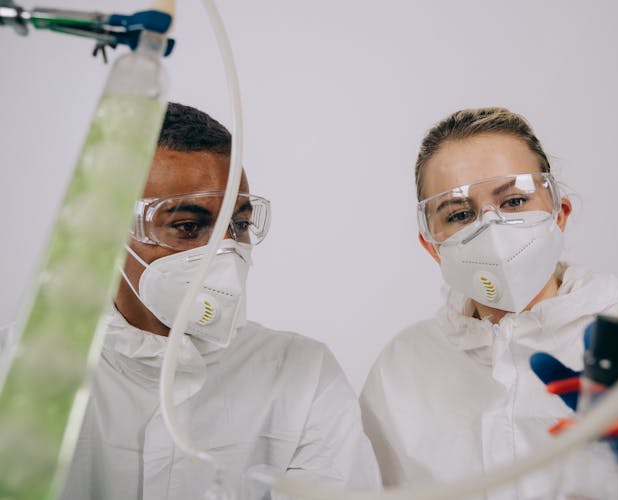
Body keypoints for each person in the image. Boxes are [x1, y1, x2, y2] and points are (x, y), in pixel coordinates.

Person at [359, 107, 618, 498]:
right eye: (460, 213)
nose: (490, 228)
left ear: (558, 214)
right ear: (432, 246)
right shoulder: (403, 367)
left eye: (513, 201)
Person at [55, 102, 381, 499]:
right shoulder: (23, 374)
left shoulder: (302, 375)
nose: (225, 251)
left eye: (239, 224)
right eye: (189, 226)